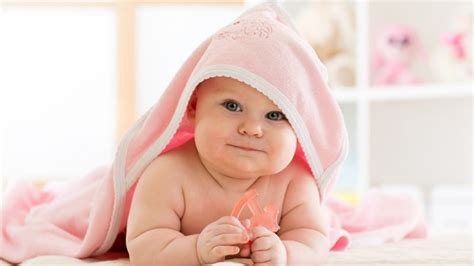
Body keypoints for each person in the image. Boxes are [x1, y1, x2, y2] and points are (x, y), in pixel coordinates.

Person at [126, 76, 330, 265]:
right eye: (232, 106)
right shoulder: (167, 174)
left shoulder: (295, 181)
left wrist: (285, 254)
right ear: (194, 106)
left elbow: (314, 240)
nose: (252, 128)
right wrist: (195, 249)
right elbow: (143, 246)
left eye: (275, 115)